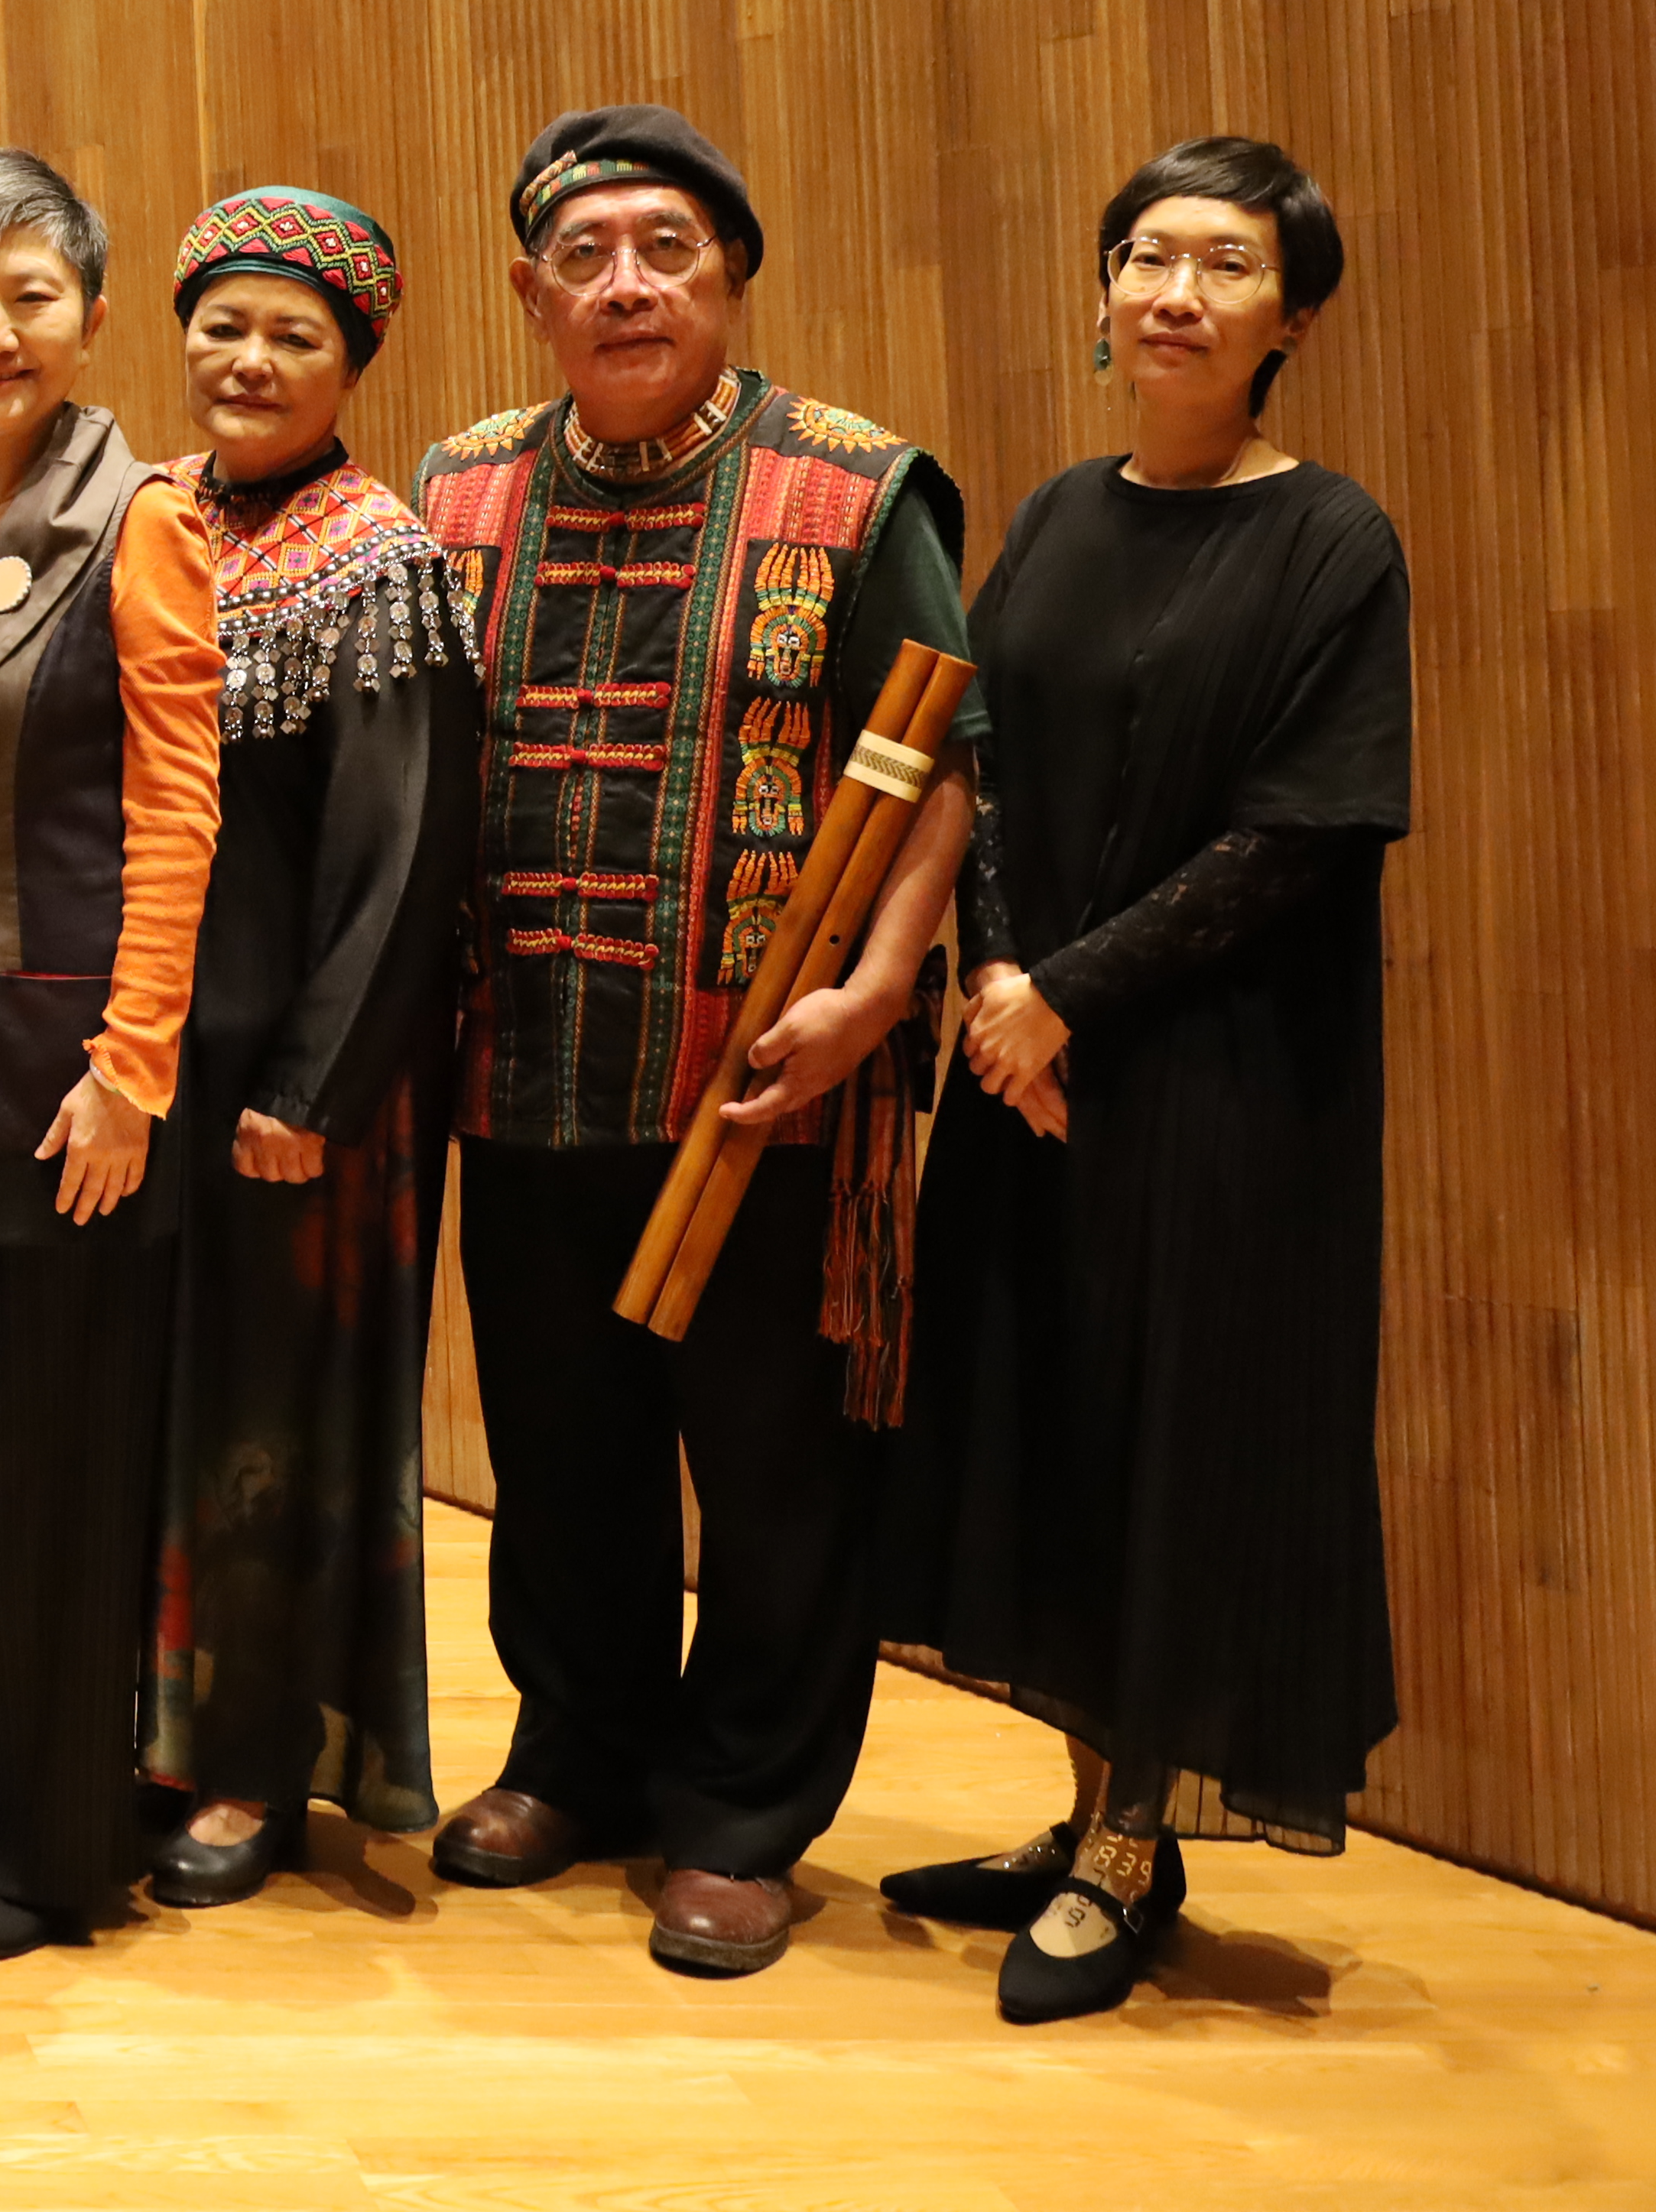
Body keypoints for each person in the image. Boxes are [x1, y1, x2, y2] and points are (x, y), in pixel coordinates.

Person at [411, 102, 977, 1980]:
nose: (627, 284)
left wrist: (877, 989)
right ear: (529, 290)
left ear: (731, 278)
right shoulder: (462, 485)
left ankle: (742, 1809)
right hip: (527, 1062)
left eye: (668, 248)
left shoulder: (856, 488)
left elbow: (946, 768)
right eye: (585, 254)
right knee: (560, 1446)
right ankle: (579, 1751)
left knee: (770, 1468)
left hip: (769, 1085)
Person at [877, 138, 1409, 2025]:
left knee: (1187, 1432)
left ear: (1294, 316)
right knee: (1054, 1419)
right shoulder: (1058, 512)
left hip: (1223, 1088)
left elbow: (1302, 835)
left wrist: (1068, 999)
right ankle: (1085, 1810)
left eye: (1227, 264)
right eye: (1147, 257)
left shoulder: (1334, 541)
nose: (1176, 293)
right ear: (1102, 294)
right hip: (1036, 1068)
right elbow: (994, 769)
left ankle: (1130, 1844)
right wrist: (1005, 980)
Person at [0, 149, 226, 1960]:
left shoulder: (137, 517)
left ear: (87, 313)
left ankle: (55, 1841)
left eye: (29, 294)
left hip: (63, 1056)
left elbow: (180, 807)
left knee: (55, 1460)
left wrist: (133, 1062)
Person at [137, 190, 485, 1905]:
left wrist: (312, 1088)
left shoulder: (381, 559)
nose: (251, 359)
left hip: (291, 1084)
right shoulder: (144, 521)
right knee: (148, 1402)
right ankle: (140, 1728)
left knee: (268, 1424)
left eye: (295, 334)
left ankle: (255, 1769)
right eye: (226, 323)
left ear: (352, 362)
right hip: (145, 1063)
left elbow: (406, 853)